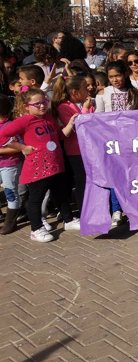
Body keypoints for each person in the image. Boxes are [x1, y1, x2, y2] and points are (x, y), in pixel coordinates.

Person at [0, 88, 75, 242]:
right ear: (26, 106)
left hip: (56, 164)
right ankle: (36, 229)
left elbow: (61, 135)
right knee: (36, 199)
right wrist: (22, 148)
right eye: (37, 104)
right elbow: (2, 136)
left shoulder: (48, 118)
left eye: (44, 102)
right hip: (38, 168)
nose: (42, 106)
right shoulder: (24, 120)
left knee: (61, 195)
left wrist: (72, 122)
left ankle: (68, 220)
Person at [96, 61, 138, 227]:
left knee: (133, 176)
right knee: (115, 177)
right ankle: (116, 210)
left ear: (125, 74)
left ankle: (135, 208)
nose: (115, 79)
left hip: (132, 141)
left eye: (117, 75)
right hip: (111, 142)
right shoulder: (103, 93)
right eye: (111, 77)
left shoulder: (136, 94)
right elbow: (98, 117)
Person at [52, 75, 95, 229]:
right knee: (82, 182)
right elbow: (79, 126)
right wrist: (85, 108)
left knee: (88, 180)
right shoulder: (64, 107)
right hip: (75, 150)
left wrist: (88, 107)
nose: (88, 89)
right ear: (75, 92)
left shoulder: (78, 104)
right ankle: (85, 212)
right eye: (85, 88)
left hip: (86, 148)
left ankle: (90, 209)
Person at [0, 94, 24, 235]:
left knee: (10, 192)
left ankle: (11, 221)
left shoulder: (10, 126)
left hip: (9, 164)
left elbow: (18, 146)